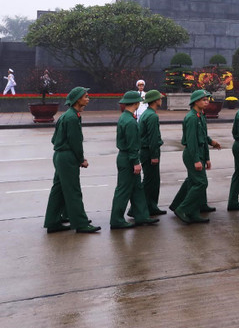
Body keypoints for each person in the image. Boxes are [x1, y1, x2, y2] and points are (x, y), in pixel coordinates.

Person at [43, 87, 100, 233]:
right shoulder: (72, 117)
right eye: (86, 96)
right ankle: (81, 224)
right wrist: (81, 159)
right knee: (73, 191)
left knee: (59, 190)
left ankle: (53, 221)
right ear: (78, 99)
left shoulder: (67, 115)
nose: (88, 98)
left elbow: (54, 139)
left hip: (59, 156)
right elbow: (76, 142)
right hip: (67, 157)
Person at [109, 91, 158, 229]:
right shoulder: (130, 121)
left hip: (126, 157)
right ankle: (116, 219)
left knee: (137, 188)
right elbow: (131, 145)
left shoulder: (125, 117)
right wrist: (135, 162)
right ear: (136, 103)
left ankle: (142, 215)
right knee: (123, 190)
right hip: (128, 159)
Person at [172, 90, 222, 224]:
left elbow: (203, 138)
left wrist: (207, 157)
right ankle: (182, 208)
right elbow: (192, 141)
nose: (207, 102)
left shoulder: (200, 116)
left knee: (194, 182)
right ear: (196, 102)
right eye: (204, 99)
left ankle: (193, 213)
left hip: (199, 153)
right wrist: (196, 160)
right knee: (201, 183)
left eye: (207, 99)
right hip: (192, 154)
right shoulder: (192, 118)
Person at [138, 89, 166, 216]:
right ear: (155, 100)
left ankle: (151, 206)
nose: (161, 100)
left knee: (152, 181)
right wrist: (154, 155)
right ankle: (139, 209)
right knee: (150, 182)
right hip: (149, 152)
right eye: (160, 98)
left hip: (145, 151)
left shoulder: (146, 113)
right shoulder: (152, 116)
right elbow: (153, 138)